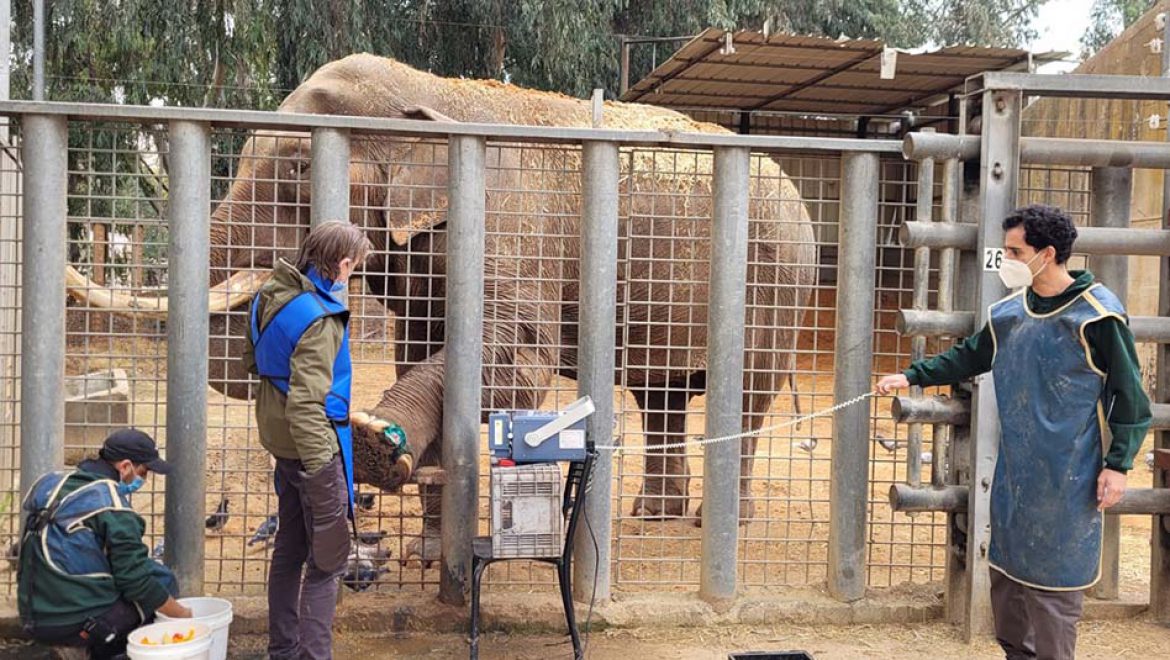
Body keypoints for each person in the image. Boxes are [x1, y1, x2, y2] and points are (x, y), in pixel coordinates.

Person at [877, 204, 1151, 660]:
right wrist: (912, 376)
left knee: (1053, 590)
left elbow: (1131, 398)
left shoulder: (1097, 317)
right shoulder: (1008, 313)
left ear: (1047, 254)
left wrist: (1118, 464)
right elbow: (970, 355)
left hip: (1068, 478)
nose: (1005, 260)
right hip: (1015, 476)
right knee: (1007, 586)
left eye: (1013, 251)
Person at [243, 220, 371, 660]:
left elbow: (254, 360)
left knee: (289, 551)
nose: (352, 276)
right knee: (328, 563)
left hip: (280, 445)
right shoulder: (321, 317)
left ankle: (282, 650)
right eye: (354, 269)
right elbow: (305, 405)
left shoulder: (270, 295)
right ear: (343, 264)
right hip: (312, 451)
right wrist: (322, 470)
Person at [17, 428, 192, 659]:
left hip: (32, 614)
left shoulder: (55, 484)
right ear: (126, 466)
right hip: (71, 622)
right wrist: (182, 614)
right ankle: (106, 651)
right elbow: (136, 582)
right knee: (162, 580)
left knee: (144, 573)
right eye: (145, 471)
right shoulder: (112, 506)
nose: (145, 479)